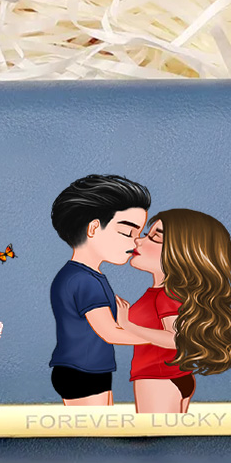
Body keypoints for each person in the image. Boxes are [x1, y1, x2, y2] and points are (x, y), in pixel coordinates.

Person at [121, 209, 231, 414]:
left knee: (155, 433)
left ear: (182, 252)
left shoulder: (166, 296)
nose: (138, 241)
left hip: (158, 379)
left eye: (155, 238)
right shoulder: (165, 294)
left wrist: (128, 326)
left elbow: (177, 339)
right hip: (170, 377)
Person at [48, 174, 151, 406]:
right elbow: (110, 333)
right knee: (93, 428)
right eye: (128, 232)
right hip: (82, 372)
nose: (136, 242)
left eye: (139, 235)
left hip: (88, 369)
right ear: (94, 228)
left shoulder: (84, 275)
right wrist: (162, 341)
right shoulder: (84, 280)